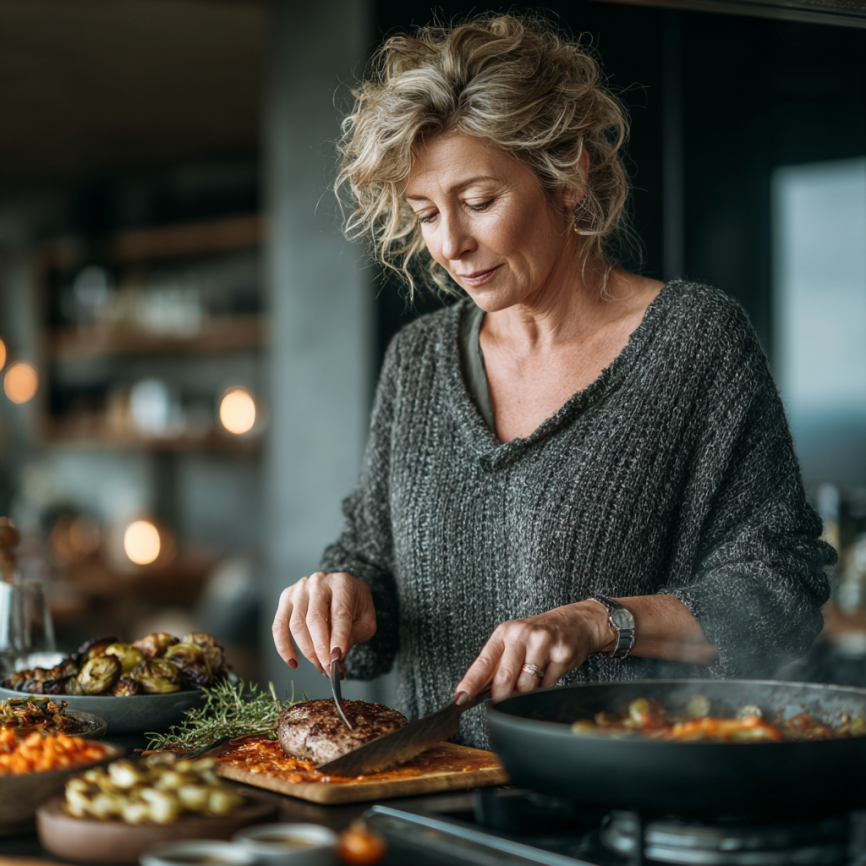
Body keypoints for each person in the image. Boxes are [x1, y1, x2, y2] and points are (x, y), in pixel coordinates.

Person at [272, 13, 834, 748]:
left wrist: (598, 623)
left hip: (623, 811)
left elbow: (781, 590)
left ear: (568, 172)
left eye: (478, 202)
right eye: (425, 214)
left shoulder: (695, 342)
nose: (450, 244)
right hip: (440, 810)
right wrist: (344, 596)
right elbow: (369, 559)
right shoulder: (417, 359)